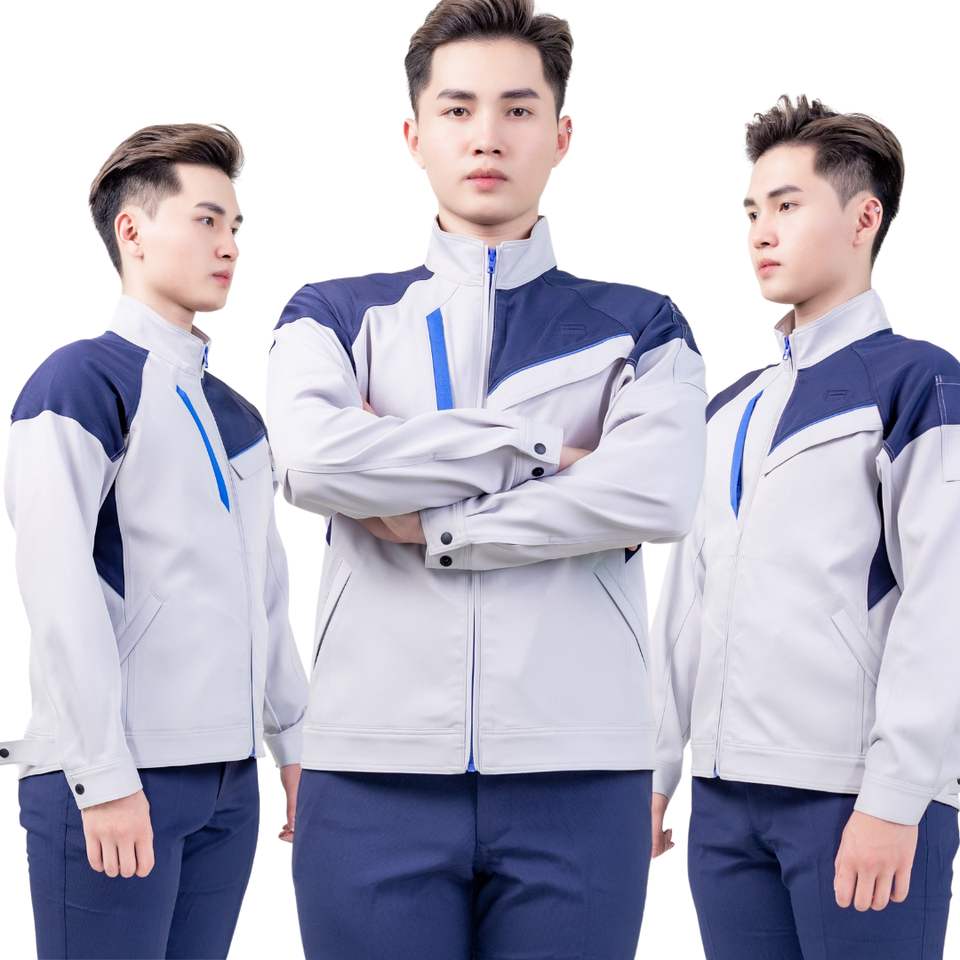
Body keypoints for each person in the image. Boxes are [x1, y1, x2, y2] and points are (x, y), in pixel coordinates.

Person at [266, 1, 707, 958]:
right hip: (369, 769)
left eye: (517, 109)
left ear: (562, 136)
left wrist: (432, 522)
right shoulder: (332, 314)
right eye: (458, 109)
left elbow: (658, 493)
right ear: (414, 135)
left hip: (581, 770)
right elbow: (312, 461)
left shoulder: (643, 325)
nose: (487, 136)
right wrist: (545, 450)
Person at [650, 94, 960, 960]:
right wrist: (655, 771)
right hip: (724, 805)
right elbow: (686, 604)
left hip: (856, 796)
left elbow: (944, 603)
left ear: (865, 218)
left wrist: (896, 797)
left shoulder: (919, 383)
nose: (761, 231)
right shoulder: (728, 408)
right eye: (753, 210)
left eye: (787, 205)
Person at [0, 123, 308, 960]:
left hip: (228, 784)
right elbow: (56, 588)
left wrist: (294, 745)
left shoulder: (240, 416)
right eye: (206, 220)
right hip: (112, 774)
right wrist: (100, 774)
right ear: (131, 231)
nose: (229, 245)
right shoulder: (80, 381)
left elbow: (267, 595)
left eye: (235, 226)